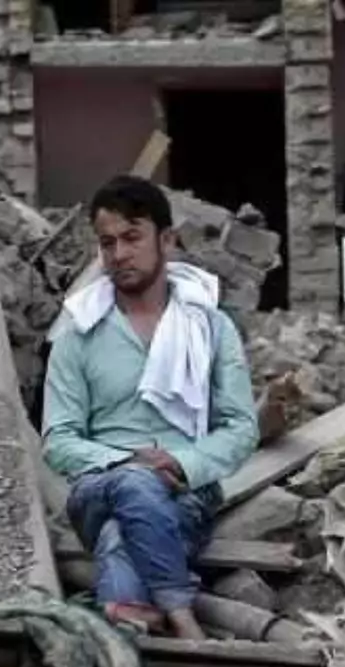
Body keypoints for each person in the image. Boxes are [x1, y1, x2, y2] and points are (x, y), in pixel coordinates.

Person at [42, 175, 259, 640]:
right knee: (133, 484)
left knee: (121, 536)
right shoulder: (77, 335)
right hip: (97, 488)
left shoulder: (210, 328)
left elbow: (241, 427)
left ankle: (127, 633)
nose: (119, 254)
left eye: (132, 237)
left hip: (186, 491)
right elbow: (58, 440)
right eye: (107, 243)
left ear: (166, 240)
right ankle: (182, 614)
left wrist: (181, 463)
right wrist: (127, 464)